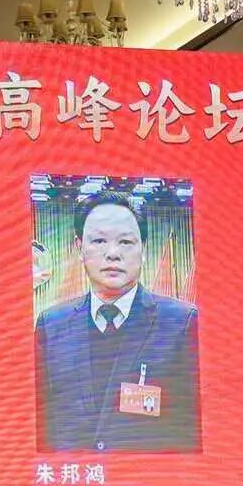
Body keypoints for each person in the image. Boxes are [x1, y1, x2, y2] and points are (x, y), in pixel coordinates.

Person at [35, 191, 200, 451]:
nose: (112, 253)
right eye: (99, 241)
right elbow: (42, 423)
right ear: (79, 248)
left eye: (125, 242)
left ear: (143, 249)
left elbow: (192, 429)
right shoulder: (51, 325)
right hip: (75, 475)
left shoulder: (182, 323)